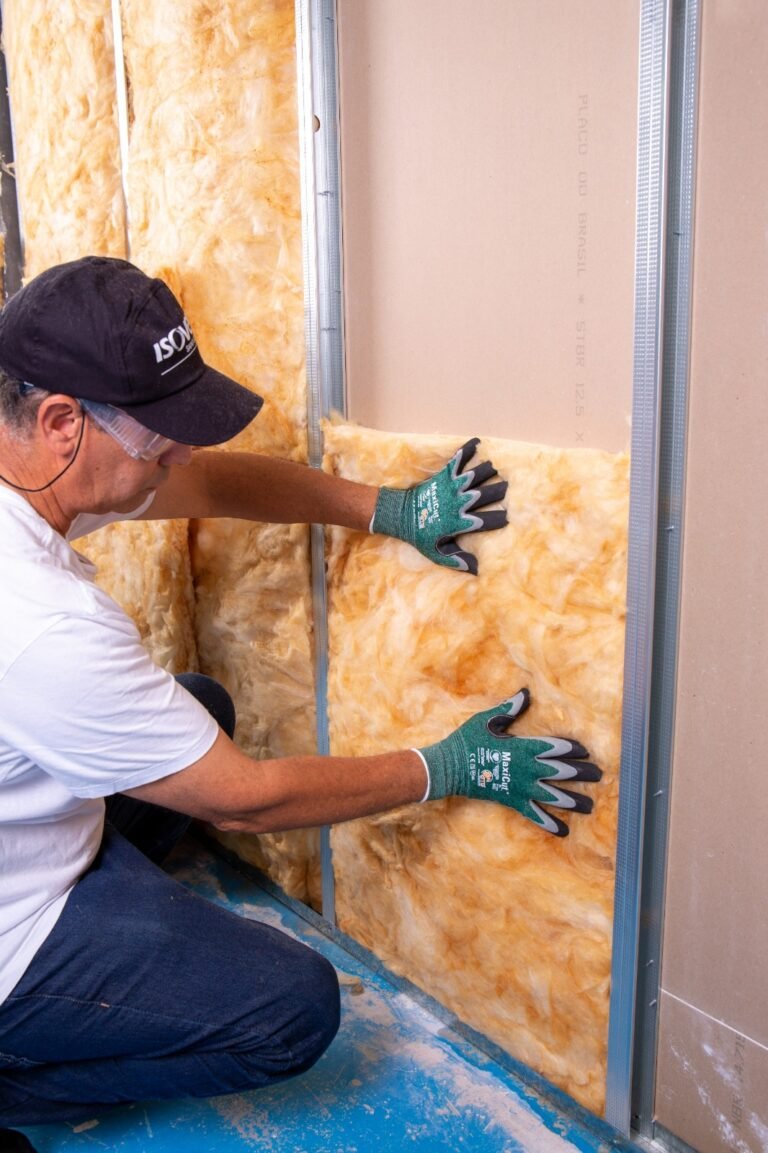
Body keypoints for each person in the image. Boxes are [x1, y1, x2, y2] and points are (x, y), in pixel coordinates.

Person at [0, 257, 602, 1141]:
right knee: (291, 1007)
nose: (181, 453)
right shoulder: (40, 621)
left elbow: (215, 484)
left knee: (198, 706)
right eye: (161, 435)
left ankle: (98, 902)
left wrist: (386, 509)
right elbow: (245, 802)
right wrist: (445, 766)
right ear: (62, 422)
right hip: (14, 927)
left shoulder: (32, 469)